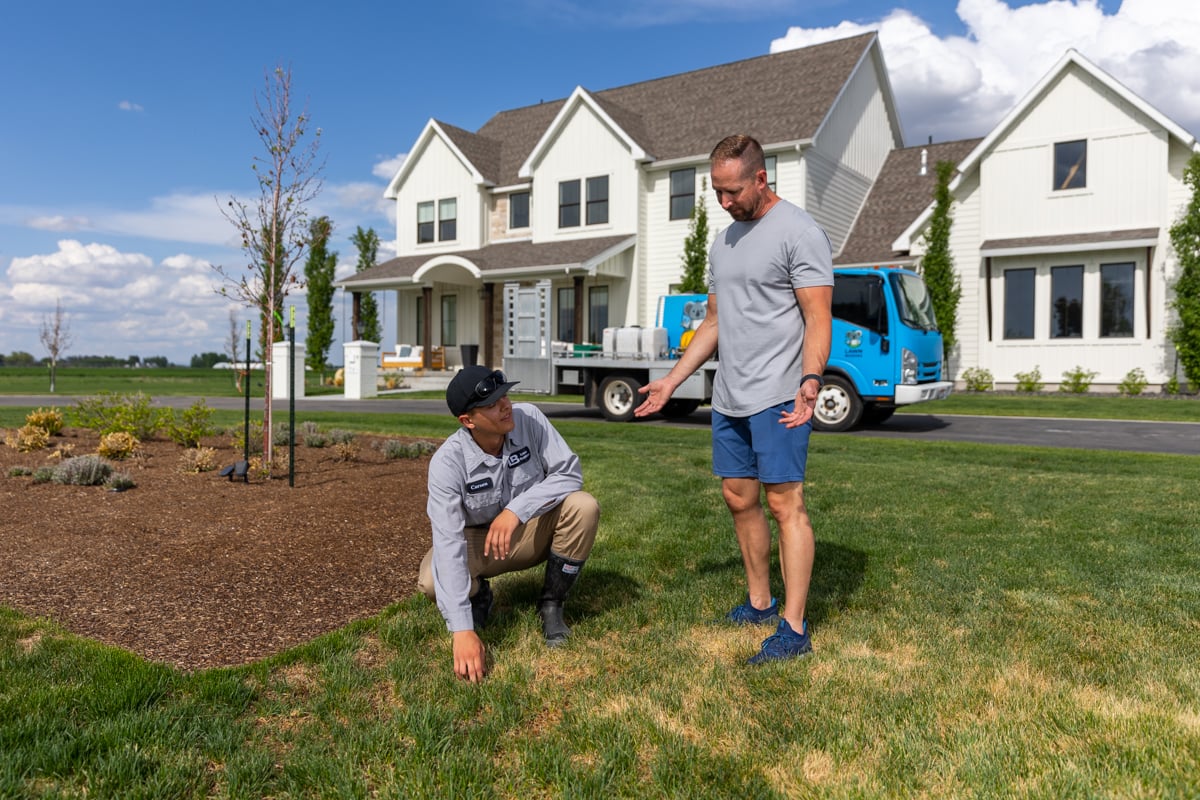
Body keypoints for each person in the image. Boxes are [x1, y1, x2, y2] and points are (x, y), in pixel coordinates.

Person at [636, 133, 833, 664]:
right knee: (739, 498)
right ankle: (760, 601)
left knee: (783, 503)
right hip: (730, 396)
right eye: (716, 192)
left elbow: (818, 317)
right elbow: (715, 322)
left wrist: (811, 381)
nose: (725, 202)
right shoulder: (723, 242)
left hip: (778, 394)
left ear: (761, 178)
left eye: (732, 191)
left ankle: (793, 627)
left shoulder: (799, 232)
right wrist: (672, 381)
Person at [419, 364, 599, 682]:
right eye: (491, 404)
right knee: (431, 582)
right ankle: (478, 597)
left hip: (529, 530)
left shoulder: (529, 418)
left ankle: (552, 605)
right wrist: (461, 630)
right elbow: (448, 542)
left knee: (583, 506)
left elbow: (570, 473)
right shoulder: (446, 463)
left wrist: (515, 511)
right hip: (479, 543)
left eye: (506, 396)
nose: (506, 405)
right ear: (467, 420)